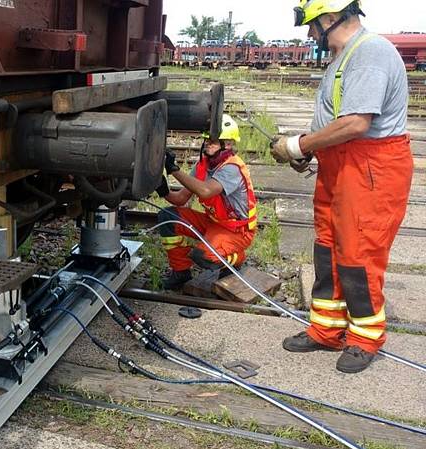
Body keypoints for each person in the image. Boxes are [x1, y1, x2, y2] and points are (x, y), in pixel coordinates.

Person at [271, 0, 412, 373]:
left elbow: (355, 124)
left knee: (359, 252)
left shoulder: (369, 53)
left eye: (312, 24)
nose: (309, 33)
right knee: (328, 248)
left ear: (331, 18)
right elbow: (337, 123)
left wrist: (299, 145)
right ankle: (327, 329)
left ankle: (365, 338)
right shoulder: (344, 56)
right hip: (341, 163)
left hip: (369, 166)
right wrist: (311, 148)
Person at [157, 114, 258, 292]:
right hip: (214, 223)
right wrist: (162, 189)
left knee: (204, 257)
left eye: (213, 141)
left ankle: (238, 257)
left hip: (237, 231)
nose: (207, 144)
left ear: (228, 144)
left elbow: (205, 190)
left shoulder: (232, 168)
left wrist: (174, 170)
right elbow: (180, 199)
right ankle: (181, 272)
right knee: (168, 217)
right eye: (206, 140)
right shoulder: (203, 165)